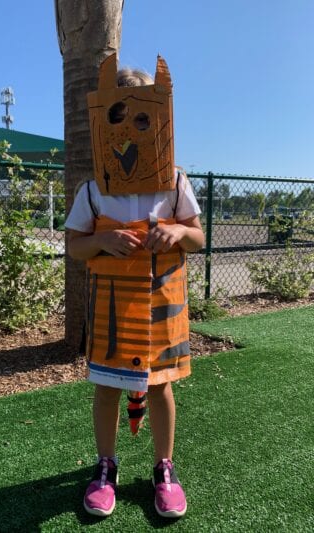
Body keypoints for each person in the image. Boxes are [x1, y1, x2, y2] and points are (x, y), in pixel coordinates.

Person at [65, 54, 204, 518]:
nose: (130, 127)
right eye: (118, 116)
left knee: (161, 387)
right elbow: (75, 246)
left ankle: (164, 468)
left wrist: (178, 231)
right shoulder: (94, 189)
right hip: (112, 311)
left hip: (163, 304)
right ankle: (106, 466)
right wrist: (102, 240)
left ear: (159, 119)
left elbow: (198, 237)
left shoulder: (175, 182)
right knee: (107, 388)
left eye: (142, 117)